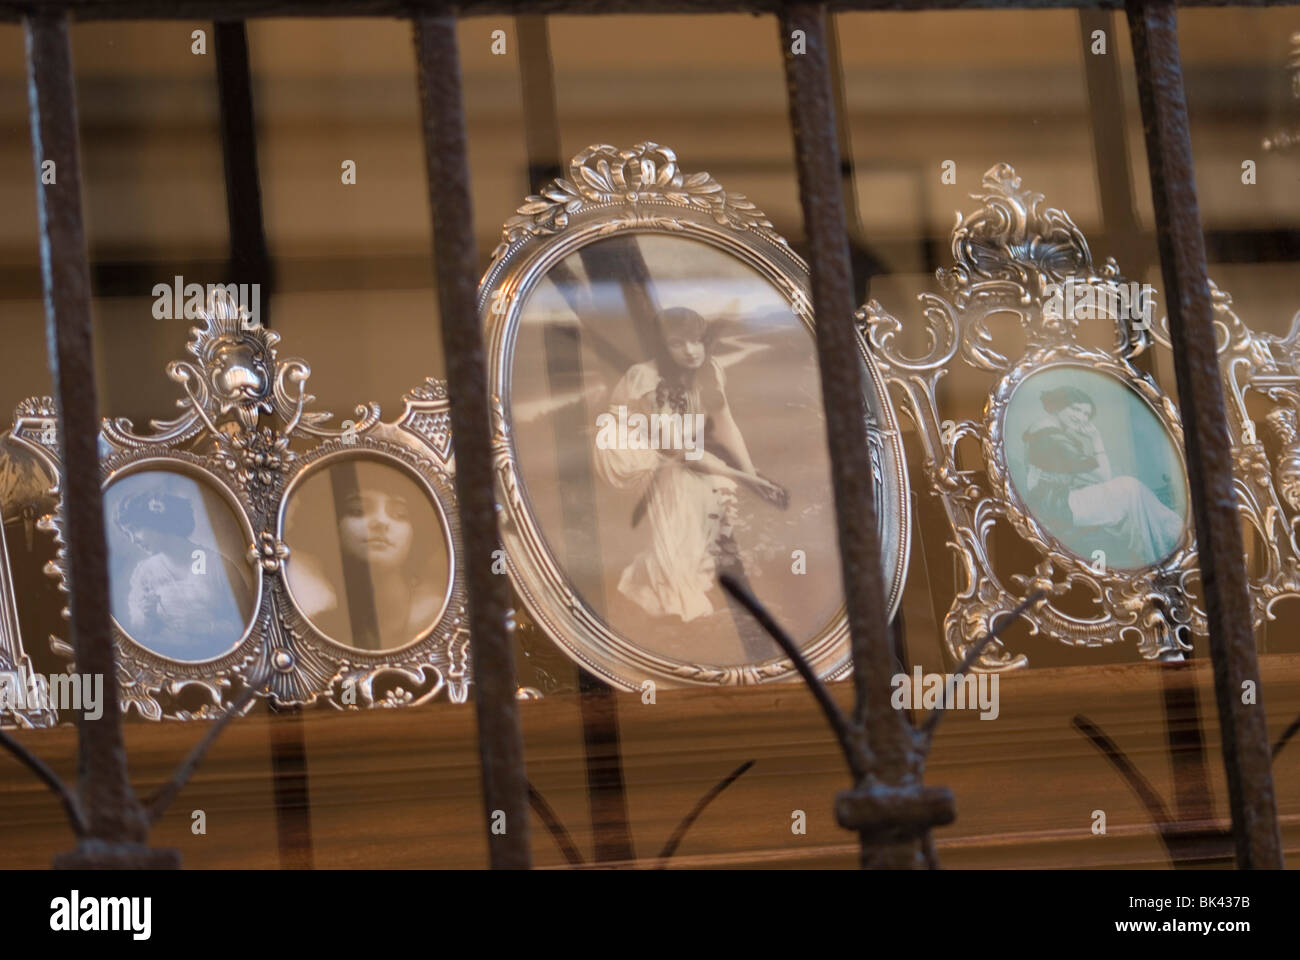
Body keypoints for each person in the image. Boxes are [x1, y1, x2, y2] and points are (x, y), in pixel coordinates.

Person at [594, 306, 787, 623]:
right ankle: (675, 592)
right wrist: (744, 478)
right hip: (625, 450)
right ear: (662, 346)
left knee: (714, 487)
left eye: (697, 340)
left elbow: (725, 424)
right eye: (678, 343)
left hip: (672, 450)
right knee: (691, 483)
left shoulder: (708, 370)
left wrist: (753, 475)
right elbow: (679, 451)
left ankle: (648, 583)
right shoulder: (645, 378)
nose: (691, 351)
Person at [1021, 385, 1184, 567]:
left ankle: (1157, 550)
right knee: (1130, 488)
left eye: (1085, 414)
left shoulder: (1044, 432)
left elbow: (1066, 475)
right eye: (1075, 409)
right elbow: (1103, 476)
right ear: (1058, 406)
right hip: (1059, 506)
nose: (1080, 417)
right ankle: (1171, 536)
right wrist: (1096, 440)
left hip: (1054, 500)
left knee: (1131, 501)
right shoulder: (1055, 439)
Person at [287, 462, 442, 651]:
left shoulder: (434, 618)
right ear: (331, 528)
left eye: (399, 514)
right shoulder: (313, 629)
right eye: (358, 511)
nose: (381, 521)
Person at [116, 488, 252, 659]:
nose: (133, 539)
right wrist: (147, 615)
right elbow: (137, 631)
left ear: (156, 520)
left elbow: (247, 625)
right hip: (161, 662)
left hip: (217, 659)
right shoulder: (145, 572)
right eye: (127, 534)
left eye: (135, 529)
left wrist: (206, 627)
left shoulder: (213, 564)